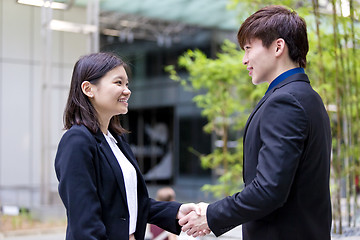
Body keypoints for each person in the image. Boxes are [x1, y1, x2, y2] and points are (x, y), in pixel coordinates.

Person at [179, 5, 332, 240]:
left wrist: (211, 215)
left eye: (249, 48)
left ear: (278, 47)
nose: (244, 59)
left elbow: (269, 190)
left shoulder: (285, 102)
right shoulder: (308, 97)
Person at [54, 52, 199, 240]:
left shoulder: (116, 140)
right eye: (118, 83)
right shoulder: (77, 141)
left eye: (127, 84)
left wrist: (177, 211)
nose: (127, 90)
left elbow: (133, 204)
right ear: (88, 89)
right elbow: (85, 223)